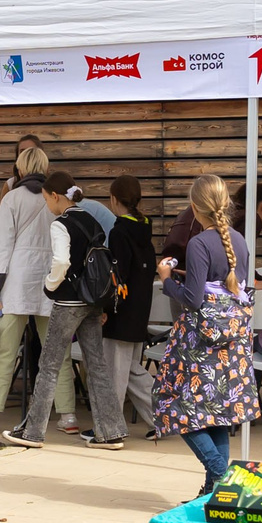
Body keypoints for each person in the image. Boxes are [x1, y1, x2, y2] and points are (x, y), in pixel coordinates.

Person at [4, 174, 128, 449]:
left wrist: (50, 285)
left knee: (48, 366)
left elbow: (61, 261)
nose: (47, 203)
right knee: (97, 367)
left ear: (55, 196)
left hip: (68, 302)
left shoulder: (61, 224)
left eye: (47, 198)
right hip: (92, 301)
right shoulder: (90, 219)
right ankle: (110, 432)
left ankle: (32, 432)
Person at [152, 174, 261, 490]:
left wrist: (167, 279)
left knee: (175, 407)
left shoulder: (199, 243)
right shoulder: (239, 240)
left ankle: (220, 473)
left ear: (192, 206)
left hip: (200, 342)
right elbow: (230, 288)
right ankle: (213, 491)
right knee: (217, 413)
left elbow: (193, 299)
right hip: (232, 342)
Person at [0, 146, 77, 436]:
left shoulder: (12, 199)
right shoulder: (57, 199)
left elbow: (1, 247)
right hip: (52, 282)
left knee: (4, 351)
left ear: (21, 169)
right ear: (46, 168)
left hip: (16, 282)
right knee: (57, 353)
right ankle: (68, 415)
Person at [98, 177, 159, 430]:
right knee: (130, 371)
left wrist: (104, 308)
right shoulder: (144, 230)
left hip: (120, 312)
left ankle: (109, 428)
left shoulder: (119, 232)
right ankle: (164, 416)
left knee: (115, 374)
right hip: (140, 310)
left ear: (113, 199)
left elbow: (116, 276)